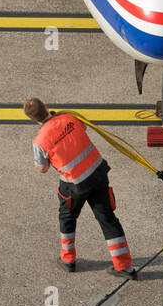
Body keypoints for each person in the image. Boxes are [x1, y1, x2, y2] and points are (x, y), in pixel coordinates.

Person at [24, 98, 135, 278]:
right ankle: (124, 266)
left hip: (74, 184)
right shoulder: (70, 117)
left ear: (32, 119)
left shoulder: (39, 141)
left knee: (67, 217)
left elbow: (42, 168)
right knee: (107, 217)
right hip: (98, 173)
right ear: (46, 106)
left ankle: (68, 260)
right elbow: (82, 130)